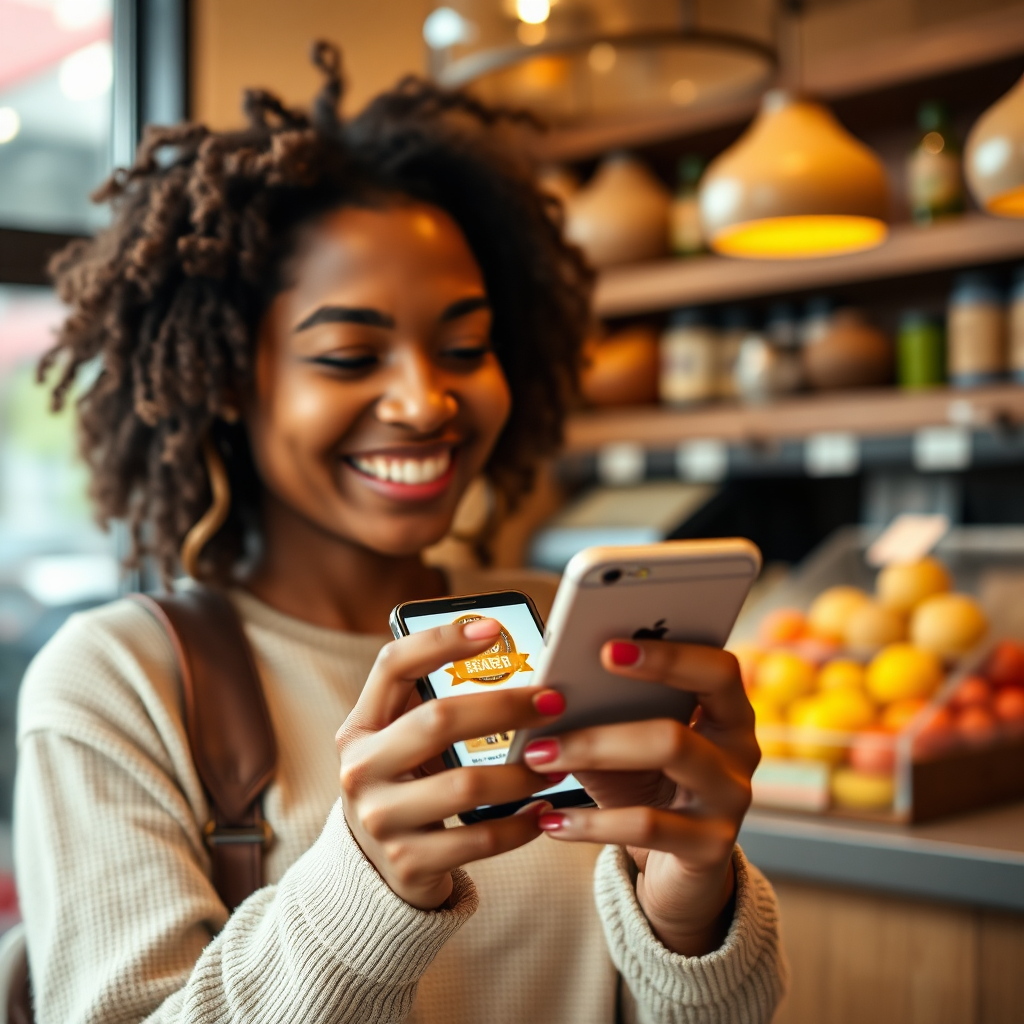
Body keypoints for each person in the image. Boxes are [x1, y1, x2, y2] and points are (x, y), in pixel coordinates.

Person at [15, 42, 786, 1024]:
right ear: (224, 383)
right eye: (346, 355)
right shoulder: (118, 681)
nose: (426, 401)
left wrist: (692, 912)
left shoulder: (561, 632)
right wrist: (363, 892)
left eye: (465, 347)